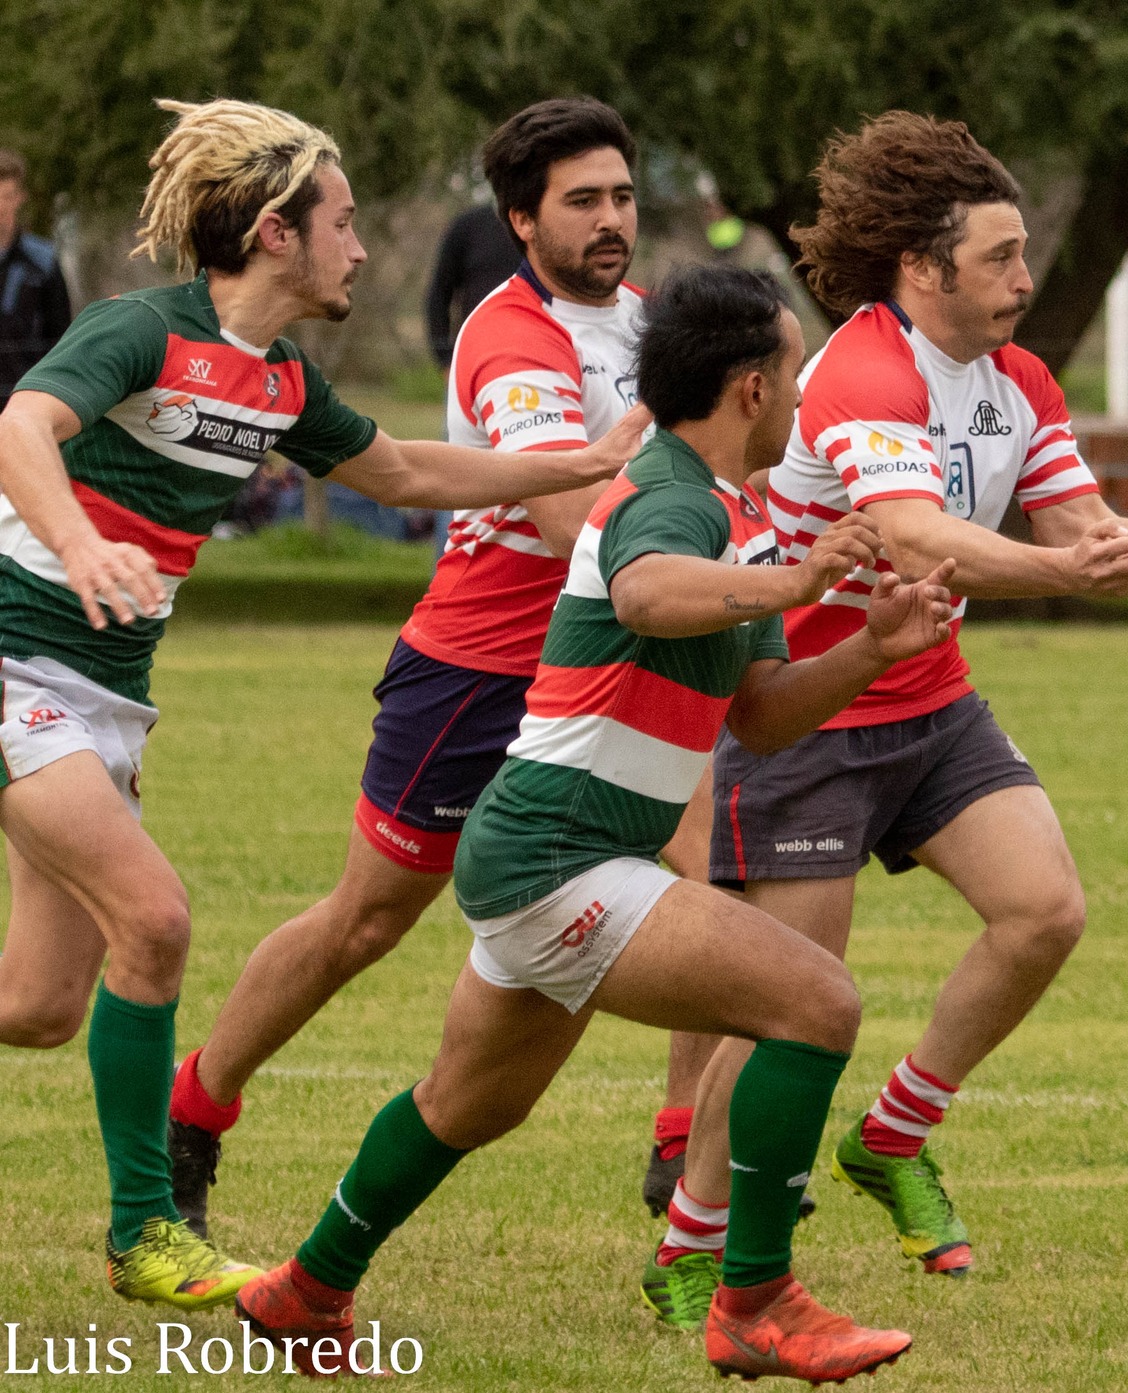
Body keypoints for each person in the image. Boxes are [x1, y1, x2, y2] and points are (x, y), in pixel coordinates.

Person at [649, 111, 1128, 1330]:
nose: (1026, 278)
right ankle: (690, 1245)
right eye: (1002, 257)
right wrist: (1066, 575)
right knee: (786, 1001)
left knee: (1043, 911)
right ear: (922, 266)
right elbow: (916, 534)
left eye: (1024, 254)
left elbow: (1092, 544)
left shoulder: (1019, 382)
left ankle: (894, 1133)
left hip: (931, 703)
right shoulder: (864, 372)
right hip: (808, 710)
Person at [234, 264, 951, 1384]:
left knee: (468, 1102)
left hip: (551, 851)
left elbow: (758, 718)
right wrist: (799, 581)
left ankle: (306, 1286)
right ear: (752, 388)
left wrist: (865, 647)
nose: (808, 392)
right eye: (796, 369)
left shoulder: (737, 518)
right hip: (560, 854)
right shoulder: (669, 495)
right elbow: (645, 594)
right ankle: (754, 1300)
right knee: (815, 1002)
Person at [0, 97, 645, 1311]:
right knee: (156, 921)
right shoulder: (141, 330)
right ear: (276, 233)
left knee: (37, 1007)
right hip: (15, 664)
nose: (359, 246)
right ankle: (145, 1232)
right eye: (342, 223)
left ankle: (144, 1219)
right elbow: (21, 425)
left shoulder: (282, 379)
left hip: (105, 698)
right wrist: (81, 545)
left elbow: (399, 471)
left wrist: (583, 462)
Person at [163, 96, 717, 1243]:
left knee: (724, 876)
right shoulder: (512, 337)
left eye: (622, 195)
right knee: (365, 922)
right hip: (483, 668)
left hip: (626, 663)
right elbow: (575, 526)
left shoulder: (659, 324)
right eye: (582, 202)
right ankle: (195, 1105)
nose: (611, 220)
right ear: (521, 219)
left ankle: (683, 1154)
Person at [0, 148, 73, 406]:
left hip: (26, 401)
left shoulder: (43, 262)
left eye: (7, 196)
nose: (0, 206)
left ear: (21, 198)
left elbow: (61, 337)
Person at [423, 197, 523, 369]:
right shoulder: (467, 226)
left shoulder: (546, 228)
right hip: (474, 360)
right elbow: (439, 294)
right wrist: (445, 358)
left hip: (534, 356)